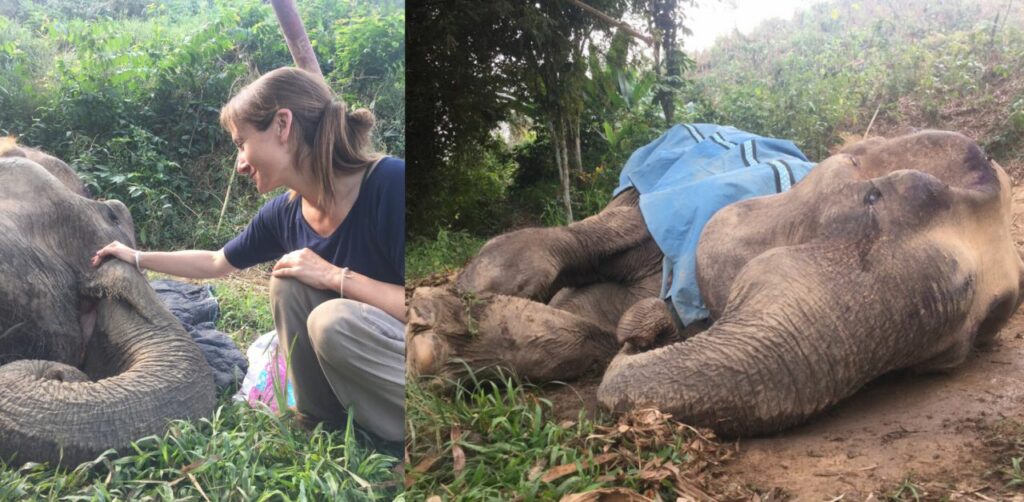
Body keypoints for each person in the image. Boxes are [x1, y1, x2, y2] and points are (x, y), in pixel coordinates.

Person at [92, 67, 405, 444]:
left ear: (282, 125)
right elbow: (215, 262)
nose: (240, 163)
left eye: (242, 143)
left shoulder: (390, 184)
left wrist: (337, 277)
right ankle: (321, 420)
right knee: (288, 282)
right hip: (362, 368)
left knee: (330, 320)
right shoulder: (283, 214)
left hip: (411, 355)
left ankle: (398, 430)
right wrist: (136, 257)